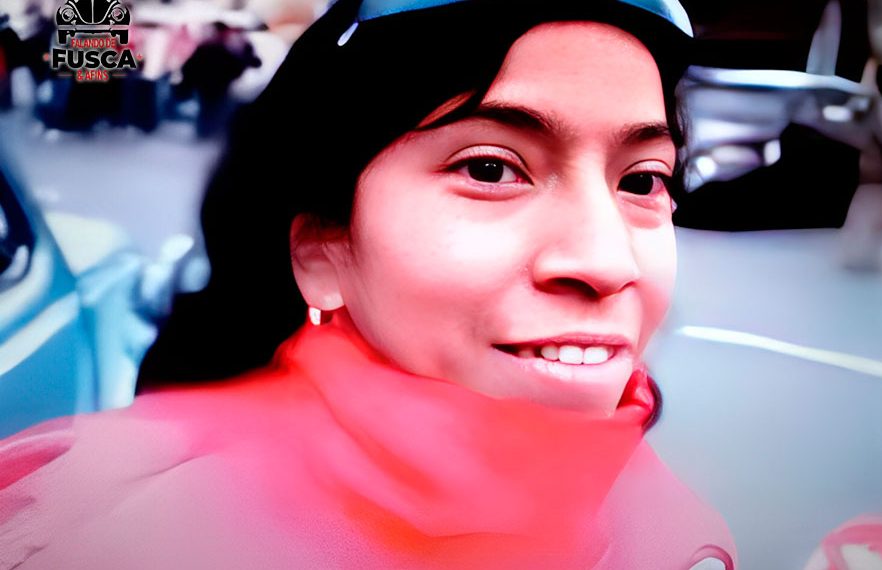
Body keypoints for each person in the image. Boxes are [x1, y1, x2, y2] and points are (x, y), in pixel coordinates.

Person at [0, 1, 738, 568]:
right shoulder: (111, 534)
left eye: (642, 180)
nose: (609, 262)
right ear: (322, 250)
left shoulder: (677, 533)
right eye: (490, 169)